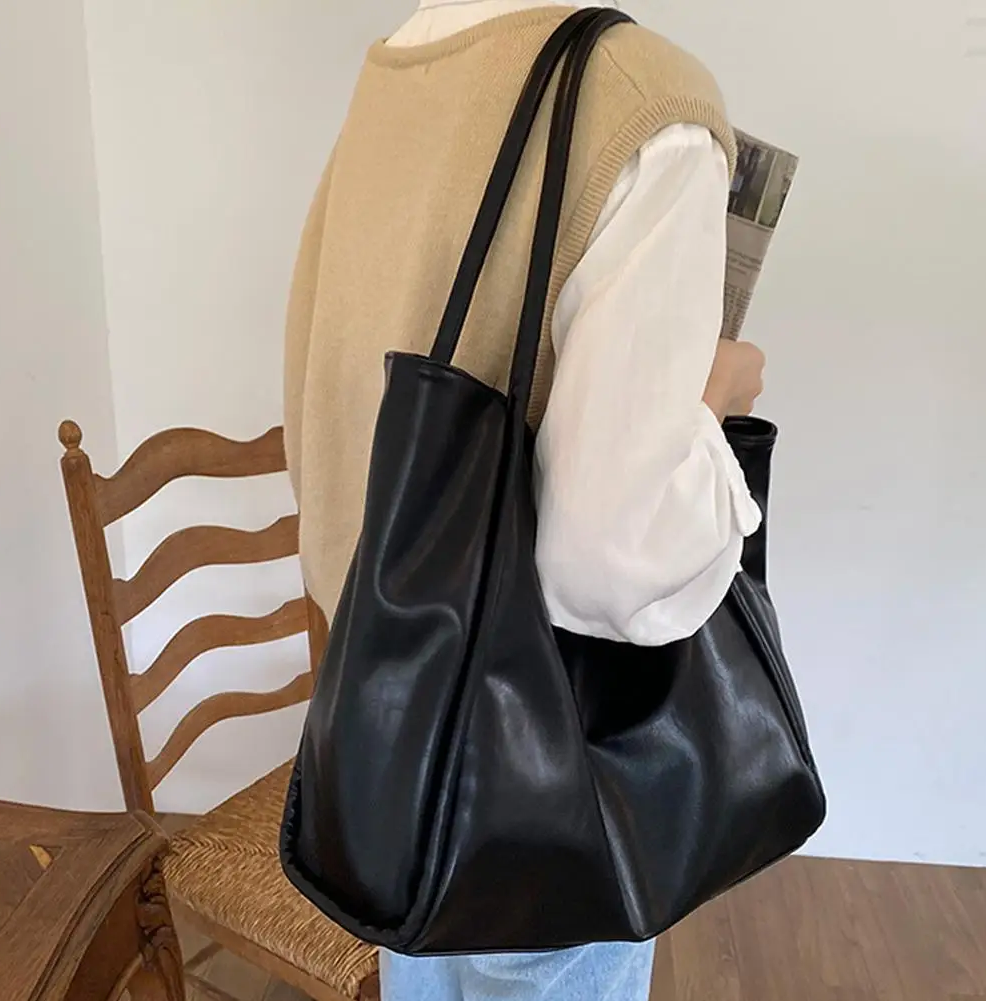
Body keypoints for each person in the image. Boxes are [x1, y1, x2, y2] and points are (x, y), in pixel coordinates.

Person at [283, 1, 767, 998]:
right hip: (539, 776)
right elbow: (613, 559)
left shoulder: (404, 61)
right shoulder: (646, 102)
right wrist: (716, 395)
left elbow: (322, 405)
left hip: (389, 732)